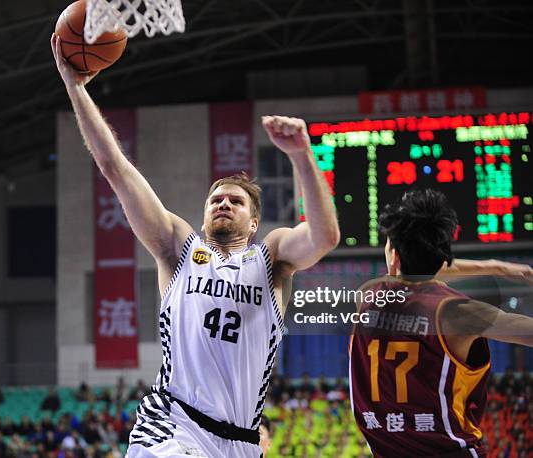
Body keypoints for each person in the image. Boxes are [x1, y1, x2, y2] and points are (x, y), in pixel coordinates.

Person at [51, 31, 339, 458]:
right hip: (173, 425)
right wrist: (75, 87)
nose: (223, 202)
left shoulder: (272, 256)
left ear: (254, 221)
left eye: (235, 201)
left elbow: (325, 236)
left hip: (240, 440)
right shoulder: (178, 247)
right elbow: (115, 168)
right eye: (215, 199)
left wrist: (301, 156)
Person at [349, 189, 533, 457]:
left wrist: (496, 266)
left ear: (394, 256)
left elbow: (419, 268)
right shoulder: (457, 314)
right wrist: (499, 267)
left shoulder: (368, 295)